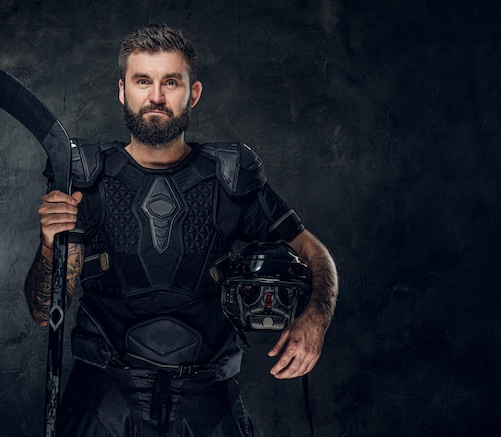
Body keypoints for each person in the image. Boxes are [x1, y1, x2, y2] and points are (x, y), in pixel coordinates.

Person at [24, 24, 338, 437]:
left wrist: (315, 319)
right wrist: (50, 244)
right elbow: (45, 312)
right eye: (143, 81)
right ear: (123, 91)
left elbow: (315, 253)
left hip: (207, 398)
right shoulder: (84, 178)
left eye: (170, 82)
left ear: (194, 93)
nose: (156, 96)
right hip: (103, 397)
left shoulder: (230, 176)